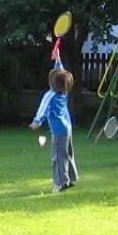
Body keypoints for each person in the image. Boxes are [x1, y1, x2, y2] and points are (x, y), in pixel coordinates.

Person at [30, 62, 78, 191]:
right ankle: (70, 178)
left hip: (58, 131)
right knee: (67, 154)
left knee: (58, 156)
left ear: (52, 82)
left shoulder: (50, 95)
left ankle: (61, 183)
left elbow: (43, 108)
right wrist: (58, 60)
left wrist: (37, 121)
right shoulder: (64, 92)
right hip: (67, 129)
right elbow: (61, 73)